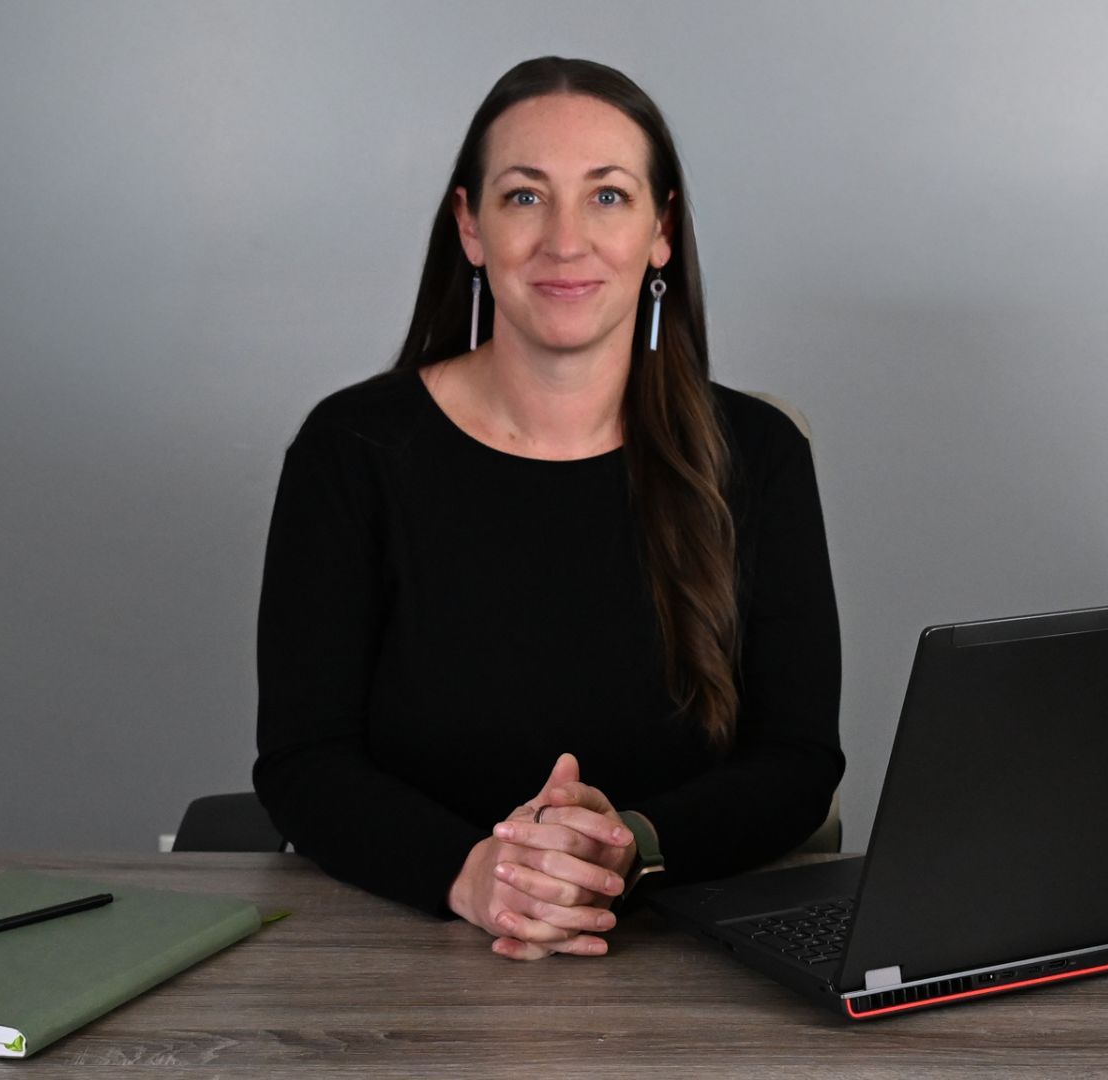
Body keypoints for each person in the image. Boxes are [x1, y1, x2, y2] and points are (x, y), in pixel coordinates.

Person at [254, 56, 842, 961]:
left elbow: (798, 761)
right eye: (526, 197)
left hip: (691, 967)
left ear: (662, 231)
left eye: (607, 197)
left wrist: (624, 849)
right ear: (470, 226)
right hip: (400, 957)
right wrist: (473, 871)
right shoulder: (352, 451)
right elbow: (304, 759)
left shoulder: (758, 456)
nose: (566, 241)